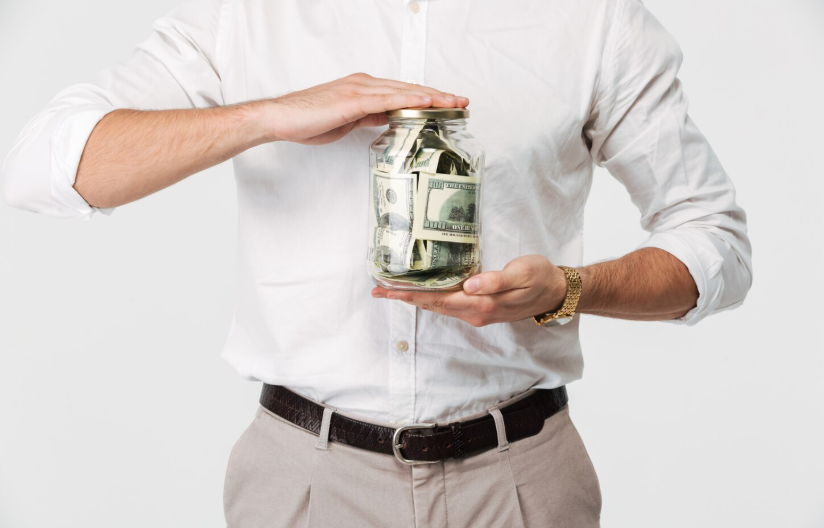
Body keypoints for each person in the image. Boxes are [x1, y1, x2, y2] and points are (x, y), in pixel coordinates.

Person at [1, 0, 752, 526]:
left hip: (521, 481)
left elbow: (715, 239)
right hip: (302, 481)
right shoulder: (249, 13)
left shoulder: (593, 19)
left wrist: (568, 289)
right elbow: (38, 166)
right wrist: (268, 114)